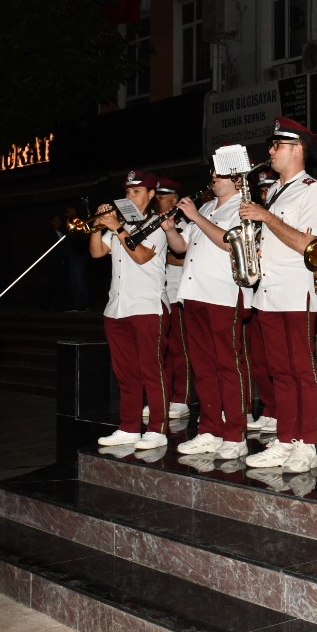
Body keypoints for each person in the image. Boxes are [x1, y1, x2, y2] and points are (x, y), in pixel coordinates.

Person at [241, 119, 317, 474]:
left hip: (295, 291)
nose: (271, 151)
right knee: (279, 371)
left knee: (301, 370)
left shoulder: (312, 190)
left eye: (277, 145)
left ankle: (307, 444)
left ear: (297, 149)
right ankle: (285, 438)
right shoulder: (276, 190)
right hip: (268, 292)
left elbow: (307, 243)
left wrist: (265, 216)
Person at [172, 162, 255, 459]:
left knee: (228, 366)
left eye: (220, 174)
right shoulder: (206, 208)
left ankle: (235, 433)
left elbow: (230, 242)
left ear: (237, 179)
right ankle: (209, 430)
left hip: (223, 295)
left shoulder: (244, 207)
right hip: (193, 294)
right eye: (213, 173)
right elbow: (181, 246)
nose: (213, 178)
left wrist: (194, 216)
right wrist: (169, 229)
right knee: (203, 367)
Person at [92, 170, 172, 451]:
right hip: (117, 308)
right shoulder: (121, 225)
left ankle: (157, 429)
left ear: (151, 194)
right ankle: (129, 427)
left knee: (152, 371)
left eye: (136, 191)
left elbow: (140, 256)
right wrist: (97, 226)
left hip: (147, 306)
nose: (130, 196)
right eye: (127, 191)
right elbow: (96, 253)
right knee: (125, 373)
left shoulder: (156, 225)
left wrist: (116, 228)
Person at [154, 176, 192, 420]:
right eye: (156, 196)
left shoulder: (185, 222)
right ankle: (163, 397)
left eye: (162, 196)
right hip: (158, 293)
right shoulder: (152, 222)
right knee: (162, 350)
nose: (158, 200)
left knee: (180, 349)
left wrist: (158, 255)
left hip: (178, 292)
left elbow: (187, 257)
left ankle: (181, 398)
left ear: (175, 199)